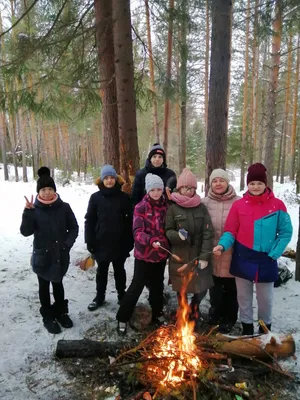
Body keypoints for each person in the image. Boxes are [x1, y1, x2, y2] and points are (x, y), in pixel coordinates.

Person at [213, 163, 293, 335]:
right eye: (252, 183)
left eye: (259, 183)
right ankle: (247, 330)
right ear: (247, 184)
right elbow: (230, 231)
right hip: (243, 257)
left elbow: (286, 232)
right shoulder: (239, 205)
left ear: (265, 184)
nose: (255, 187)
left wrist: (274, 253)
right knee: (243, 298)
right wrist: (222, 245)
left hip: (267, 259)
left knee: (265, 300)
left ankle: (265, 332)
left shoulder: (277, 205)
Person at [20, 167, 79, 334]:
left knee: (58, 284)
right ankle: (48, 316)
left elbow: (74, 228)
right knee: (44, 286)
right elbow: (25, 232)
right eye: (43, 189)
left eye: (50, 189)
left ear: (55, 190)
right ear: (39, 191)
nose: (47, 192)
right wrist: (28, 212)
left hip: (60, 254)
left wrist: (66, 245)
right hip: (42, 255)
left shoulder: (64, 207)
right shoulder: (34, 209)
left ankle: (61, 312)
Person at [116, 173, 169, 335]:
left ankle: (157, 313)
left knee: (157, 286)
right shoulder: (140, 207)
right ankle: (122, 317)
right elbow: (137, 232)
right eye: (152, 189)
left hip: (160, 255)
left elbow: (170, 227)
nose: (156, 192)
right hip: (144, 255)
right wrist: (150, 240)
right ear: (147, 190)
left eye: (159, 189)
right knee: (136, 286)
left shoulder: (166, 206)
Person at [165, 168, 214, 324]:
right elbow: (167, 230)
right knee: (182, 288)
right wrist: (177, 236)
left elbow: (208, 232)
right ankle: (183, 312)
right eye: (187, 188)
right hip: (180, 255)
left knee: (203, 287)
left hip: (199, 254)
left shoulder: (201, 207)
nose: (190, 191)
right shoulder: (173, 208)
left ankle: (194, 307)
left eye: (193, 188)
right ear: (180, 188)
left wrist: (205, 256)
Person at [84, 165, 133, 311]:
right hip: (101, 243)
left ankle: (121, 295)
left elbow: (130, 221)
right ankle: (99, 296)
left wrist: (129, 242)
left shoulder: (124, 198)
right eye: (106, 178)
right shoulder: (95, 198)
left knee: (120, 271)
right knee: (102, 272)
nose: (109, 180)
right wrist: (90, 241)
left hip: (119, 244)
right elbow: (90, 220)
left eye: (112, 177)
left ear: (116, 179)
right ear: (102, 180)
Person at [202, 169, 240, 333]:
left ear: (227, 182)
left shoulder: (239, 202)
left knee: (231, 288)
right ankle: (215, 314)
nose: (218, 184)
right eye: (215, 181)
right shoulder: (204, 203)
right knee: (215, 287)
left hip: (233, 252)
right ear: (210, 183)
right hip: (212, 252)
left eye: (221, 180)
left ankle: (229, 318)